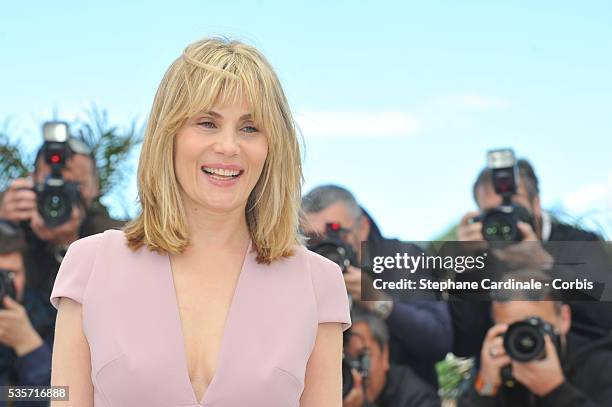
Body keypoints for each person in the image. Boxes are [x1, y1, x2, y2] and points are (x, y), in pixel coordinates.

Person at [50, 37, 351, 407]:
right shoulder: (90, 264)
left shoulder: (318, 282)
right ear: (169, 134)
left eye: (250, 128)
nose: (228, 146)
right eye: (207, 123)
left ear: (272, 146)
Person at [451, 158, 612, 357]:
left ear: (536, 203)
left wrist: (544, 264)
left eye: (514, 209)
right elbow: (464, 343)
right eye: (494, 214)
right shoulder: (482, 261)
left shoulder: (579, 243)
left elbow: (606, 314)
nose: (506, 221)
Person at [301, 184, 452, 387]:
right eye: (312, 239)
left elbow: (438, 340)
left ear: (362, 227)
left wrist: (378, 301)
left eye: (336, 234)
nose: (326, 248)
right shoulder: (300, 272)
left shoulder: (402, 259)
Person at [0, 135, 123, 308]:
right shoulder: (13, 217)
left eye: (74, 185)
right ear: (31, 180)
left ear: (95, 187)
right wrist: (4, 228)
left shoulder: (111, 236)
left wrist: (70, 247)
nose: (58, 195)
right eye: (50, 183)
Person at [458, 297, 612, 406]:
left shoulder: (600, 366)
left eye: (535, 327)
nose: (526, 342)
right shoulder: (500, 369)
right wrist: (486, 386)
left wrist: (556, 390)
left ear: (564, 319)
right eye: (513, 331)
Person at [343, 305, 441, 407]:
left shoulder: (414, 396)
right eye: (346, 361)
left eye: (362, 358)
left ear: (385, 355)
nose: (354, 371)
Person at [0, 220, 53, 407]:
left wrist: (30, 346)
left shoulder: (49, 316)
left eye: (12, 274)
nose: (4, 285)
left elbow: (62, 395)